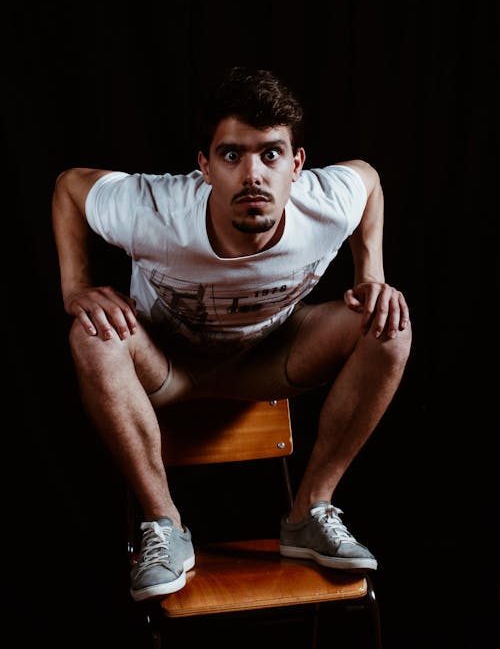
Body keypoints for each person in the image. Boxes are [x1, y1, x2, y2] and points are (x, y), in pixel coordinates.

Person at [52, 66, 411, 603]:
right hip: (166, 366)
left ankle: (310, 511)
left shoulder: (326, 202)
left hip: (270, 360)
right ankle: (163, 524)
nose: (253, 175)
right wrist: (76, 286)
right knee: (91, 333)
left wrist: (372, 278)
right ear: (203, 167)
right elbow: (70, 187)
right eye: (231, 155)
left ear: (297, 165)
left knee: (390, 325)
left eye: (270, 154)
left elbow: (370, 180)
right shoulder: (154, 211)